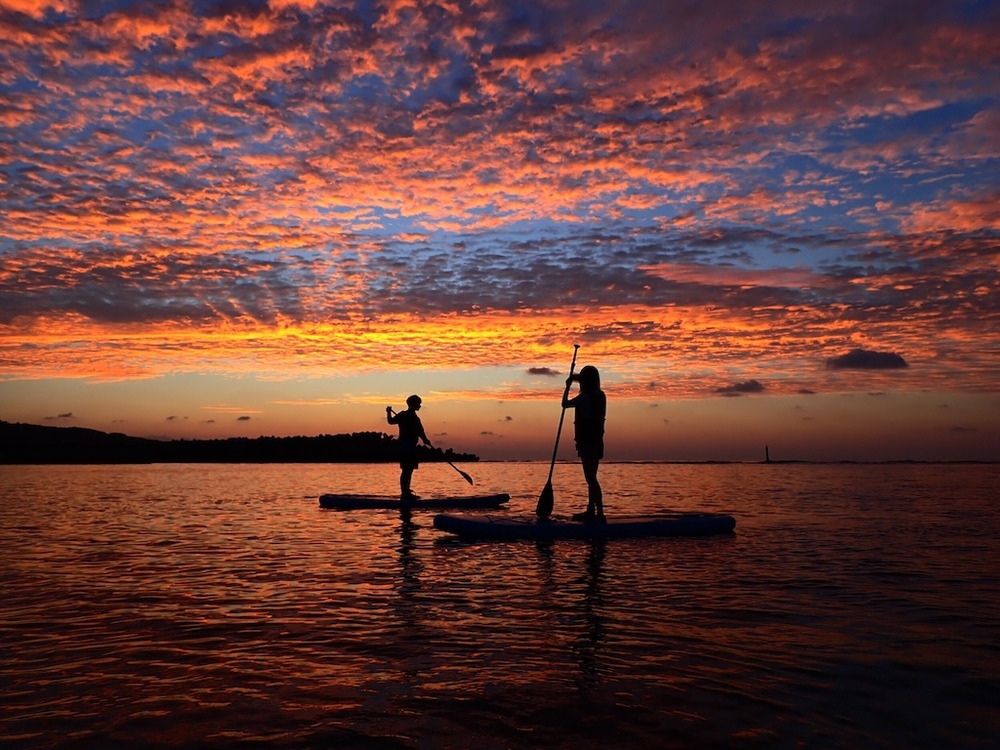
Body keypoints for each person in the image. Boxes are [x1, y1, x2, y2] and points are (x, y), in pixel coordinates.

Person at [562, 365, 607, 522]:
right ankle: (592, 511)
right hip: (597, 442)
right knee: (592, 478)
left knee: (591, 479)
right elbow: (583, 379)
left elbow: (565, 404)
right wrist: (573, 378)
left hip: (587, 443)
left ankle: (599, 513)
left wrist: (567, 387)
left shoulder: (584, 397)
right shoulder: (601, 396)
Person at [386, 395, 430, 500]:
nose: (420, 406)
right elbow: (391, 421)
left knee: (409, 470)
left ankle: (406, 491)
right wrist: (388, 412)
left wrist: (425, 440)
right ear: (412, 404)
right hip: (405, 446)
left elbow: (421, 432)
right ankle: (405, 492)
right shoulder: (404, 415)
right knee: (406, 470)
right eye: (418, 403)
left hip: (411, 447)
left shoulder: (415, 418)